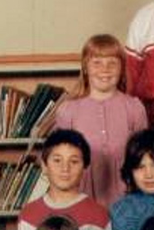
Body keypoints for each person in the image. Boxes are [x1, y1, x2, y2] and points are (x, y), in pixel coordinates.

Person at [54, 34, 149, 208]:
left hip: (127, 201)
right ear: (85, 67)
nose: (105, 69)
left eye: (112, 63)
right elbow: (59, 161)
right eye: (97, 63)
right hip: (81, 201)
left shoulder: (135, 108)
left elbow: (144, 158)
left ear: (121, 69)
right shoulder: (68, 110)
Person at [17, 129, 113, 230]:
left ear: (85, 167)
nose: (65, 168)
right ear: (44, 166)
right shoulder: (28, 214)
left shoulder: (99, 215)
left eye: (74, 161)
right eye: (57, 160)